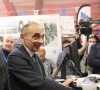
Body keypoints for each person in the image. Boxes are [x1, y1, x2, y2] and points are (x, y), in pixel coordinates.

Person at [7, 22, 75, 90]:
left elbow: (42, 79)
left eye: (42, 37)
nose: (41, 41)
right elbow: (39, 82)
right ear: (22, 37)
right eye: (36, 37)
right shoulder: (15, 57)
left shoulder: (35, 56)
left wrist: (59, 85)